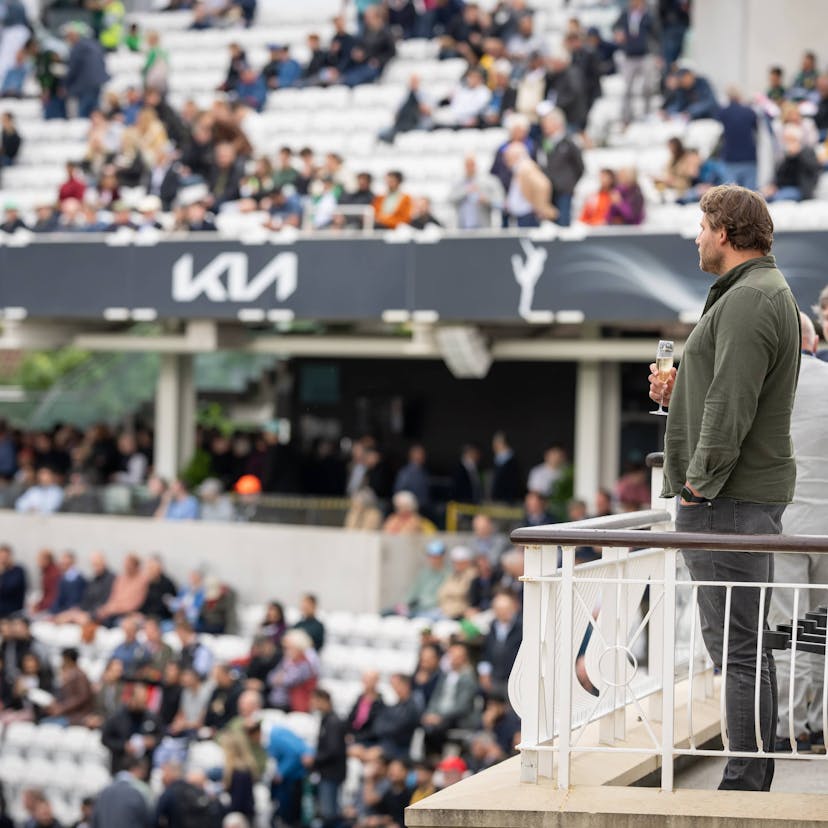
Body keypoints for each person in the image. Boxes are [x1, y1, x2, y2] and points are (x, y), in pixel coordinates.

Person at [649, 184, 800, 791]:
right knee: (744, 647)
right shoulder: (757, 294)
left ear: (727, 232)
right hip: (733, 498)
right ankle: (750, 774)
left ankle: (744, 783)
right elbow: (724, 387)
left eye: (702, 223)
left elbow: (731, 404)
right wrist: (679, 383)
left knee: (737, 651)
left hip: (725, 501)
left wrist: (696, 489)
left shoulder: (751, 298)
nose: (696, 235)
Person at [768, 313, 828, 753]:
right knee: (822, 631)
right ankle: (820, 723)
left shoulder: (767, 384)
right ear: (812, 340)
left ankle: (788, 728)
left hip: (784, 527)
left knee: (788, 630)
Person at [421, 642, 479, 754]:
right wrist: (430, 713)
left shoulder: (468, 678)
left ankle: (436, 757)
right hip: (441, 714)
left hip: (457, 718)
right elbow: (436, 697)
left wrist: (440, 716)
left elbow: (462, 706)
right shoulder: (445, 676)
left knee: (436, 729)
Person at [534, 108, 583, 227]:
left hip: (564, 191)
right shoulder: (543, 143)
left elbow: (579, 166)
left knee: (563, 223)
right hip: (549, 191)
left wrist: (568, 183)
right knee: (549, 224)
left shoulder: (569, 142)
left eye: (547, 123)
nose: (544, 126)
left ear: (558, 123)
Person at [101, 682, 164, 774]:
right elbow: (105, 739)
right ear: (131, 699)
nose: (143, 705)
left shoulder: (151, 717)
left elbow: (161, 735)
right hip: (121, 764)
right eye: (139, 701)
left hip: (144, 765)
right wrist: (123, 746)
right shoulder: (117, 718)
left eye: (144, 701)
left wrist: (152, 740)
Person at [307, 688, 347, 828]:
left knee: (330, 813)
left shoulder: (333, 722)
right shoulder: (327, 720)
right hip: (327, 772)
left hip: (332, 773)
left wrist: (315, 760)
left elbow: (333, 749)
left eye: (315, 700)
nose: (312, 703)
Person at [613, 0, 656, 125]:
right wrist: (618, 33)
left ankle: (647, 113)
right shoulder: (625, 15)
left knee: (648, 86)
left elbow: (655, 34)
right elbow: (615, 27)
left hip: (645, 55)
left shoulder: (648, 16)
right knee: (627, 88)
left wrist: (657, 54)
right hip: (629, 56)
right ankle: (626, 116)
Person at [502, 142, 557, 227]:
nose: (505, 159)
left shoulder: (526, 167)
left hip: (527, 215)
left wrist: (540, 206)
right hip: (521, 215)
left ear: (515, 155)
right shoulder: (519, 168)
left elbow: (543, 185)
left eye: (508, 155)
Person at [762, 124, 820, 203]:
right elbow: (780, 175)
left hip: (800, 189)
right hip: (782, 188)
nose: (787, 142)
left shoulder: (807, 152)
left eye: (790, 139)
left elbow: (812, 170)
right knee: (762, 197)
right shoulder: (785, 154)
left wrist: (798, 154)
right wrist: (773, 186)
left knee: (778, 198)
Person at [63, 22, 110, 118]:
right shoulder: (96, 44)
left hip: (85, 85)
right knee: (95, 111)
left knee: (84, 113)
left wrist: (65, 85)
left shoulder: (77, 48)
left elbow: (73, 69)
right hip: (98, 82)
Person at [91, 755, 152, 827]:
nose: (144, 776)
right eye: (143, 772)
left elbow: (95, 820)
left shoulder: (104, 791)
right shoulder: (141, 789)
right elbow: (148, 820)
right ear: (136, 769)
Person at [718, 87, 758, 191]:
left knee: (730, 195)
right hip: (749, 157)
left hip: (730, 157)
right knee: (750, 195)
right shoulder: (749, 112)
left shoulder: (723, 113)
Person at [449, 154, 503, 230]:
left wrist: (486, 200)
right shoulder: (458, 182)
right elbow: (450, 199)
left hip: (483, 228)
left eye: (472, 164)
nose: (470, 167)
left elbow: (500, 203)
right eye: (467, 165)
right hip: (463, 228)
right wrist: (465, 191)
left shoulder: (489, 181)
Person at [0, 544, 26, 618]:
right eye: (1, 557)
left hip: (13, 609)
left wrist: (2, 574)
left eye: (5, 557)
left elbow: (9, 589)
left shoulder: (18, 571)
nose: (3, 560)